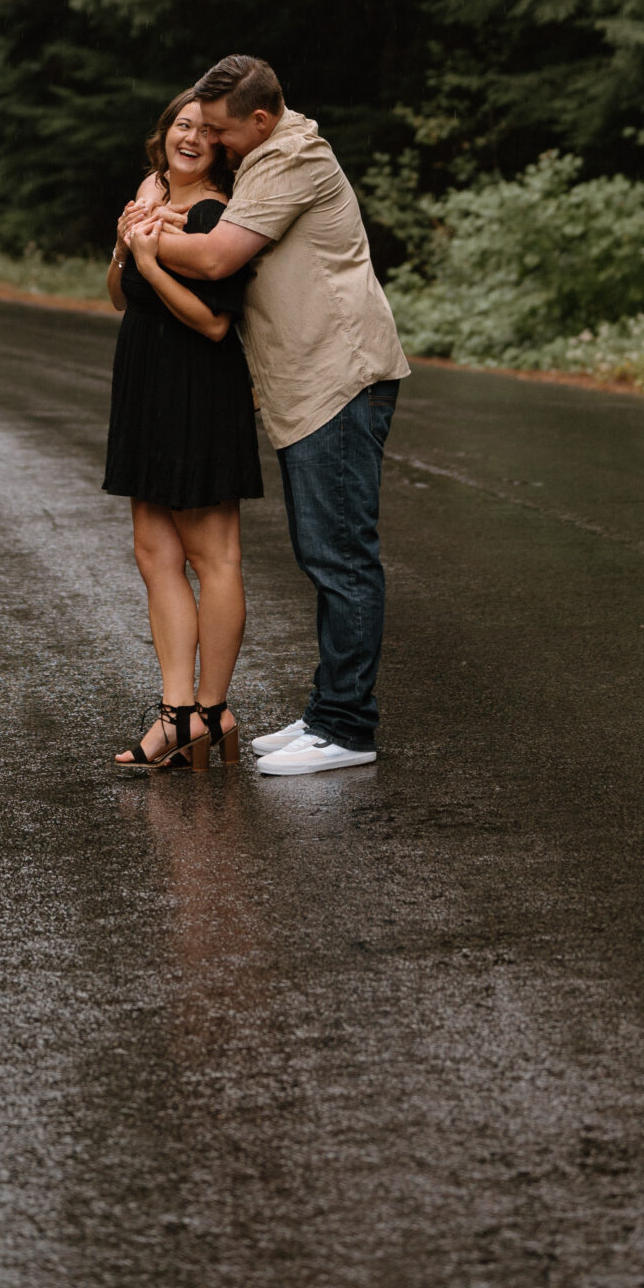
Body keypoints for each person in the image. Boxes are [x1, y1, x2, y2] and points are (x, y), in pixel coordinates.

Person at [147, 54, 410, 776]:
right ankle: (330, 712)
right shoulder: (263, 159)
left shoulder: (292, 160)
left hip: (339, 376)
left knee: (340, 555)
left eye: (223, 130)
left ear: (259, 121)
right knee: (322, 552)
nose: (215, 140)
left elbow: (213, 260)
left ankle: (348, 729)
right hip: (306, 384)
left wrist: (139, 238)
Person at [103, 90, 263, 772]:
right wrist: (122, 249)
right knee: (153, 552)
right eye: (180, 124)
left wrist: (146, 260)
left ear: (222, 145)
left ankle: (211, 706)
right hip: (145, 384)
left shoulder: (216, 215)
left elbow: (213, 322)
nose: (190, 137)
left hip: (198, 386)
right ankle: (174, 714)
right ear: (163, 132)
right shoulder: (149, 193)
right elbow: (118, 297)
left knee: (211, 554)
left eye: (204, 129)